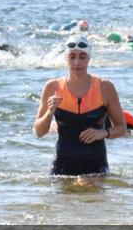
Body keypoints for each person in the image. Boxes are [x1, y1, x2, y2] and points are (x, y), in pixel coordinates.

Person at [34, 36, 125, 177]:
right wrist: (50, 112)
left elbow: (121, 128)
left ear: (89, 58)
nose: (77, 62)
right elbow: (39, 132)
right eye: (72, 57)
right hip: (62, 165)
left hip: (96, 163)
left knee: (88, 191)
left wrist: (103, 133)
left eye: (82, 57)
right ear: (66, 58)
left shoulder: (105, 87)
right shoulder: (52, 87)